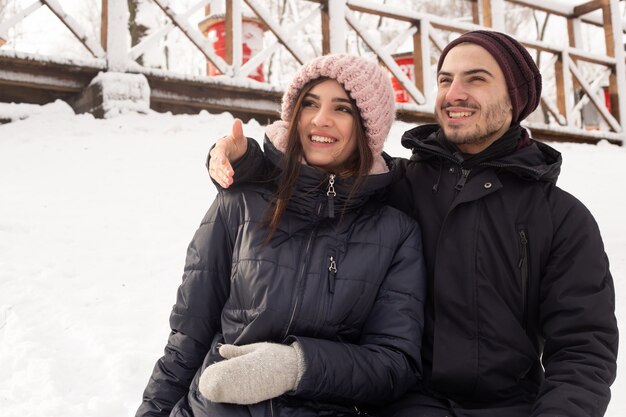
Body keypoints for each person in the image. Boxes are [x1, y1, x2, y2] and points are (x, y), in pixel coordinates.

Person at [208, 31, 619, 417]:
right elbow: (315, 179)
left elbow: (583, 349)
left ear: (516, 99)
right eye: (445, 80)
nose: (454, 94)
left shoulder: (562, 218)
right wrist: (242, 161)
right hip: (403, 402)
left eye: (475, 79)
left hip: (509, 407)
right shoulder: (397, 183)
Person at [136, 54, 428, 417]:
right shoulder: (238, 203)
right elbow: (187, 336)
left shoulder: (396, 232)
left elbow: (393, 365)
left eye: (342, 109)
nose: (321, 120)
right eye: (310, 103)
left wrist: (295, 366)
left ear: (368, 127)